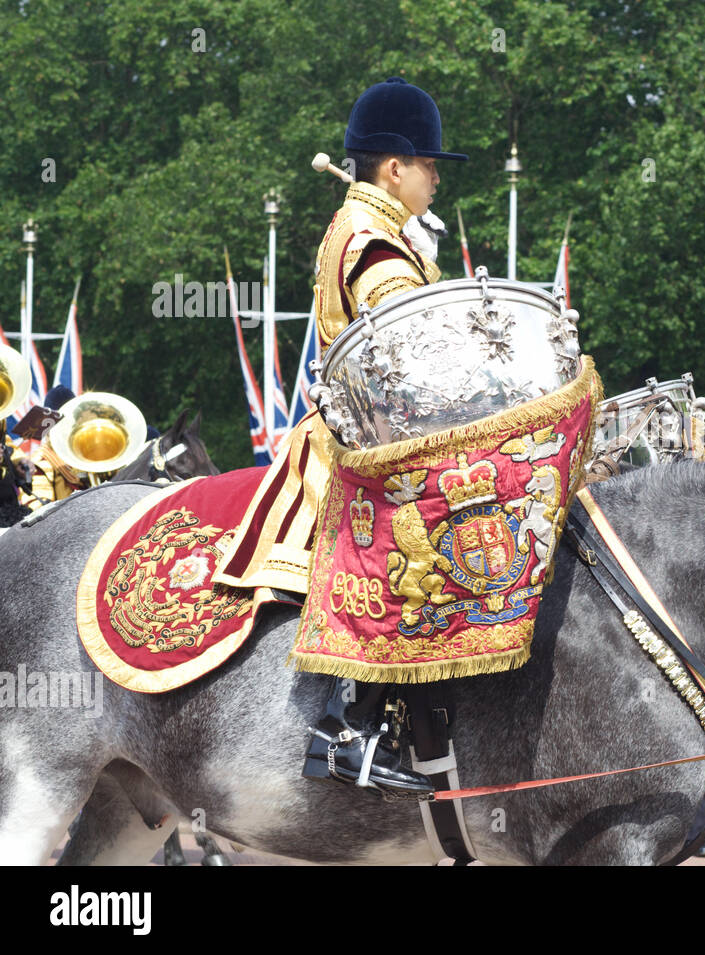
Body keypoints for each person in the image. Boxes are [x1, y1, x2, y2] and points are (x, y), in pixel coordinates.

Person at [211, 77, 468, 796]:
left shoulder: (378, 231)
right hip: (370, 448)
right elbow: (415, 362)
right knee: (424, 541)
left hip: (379, 434)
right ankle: (347, 727)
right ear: (394, 168)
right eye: (429, 164)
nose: (436, 175)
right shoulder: (377, 245)